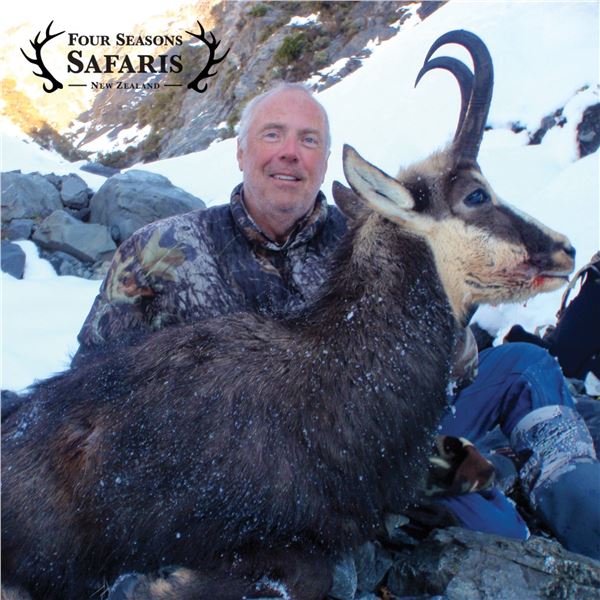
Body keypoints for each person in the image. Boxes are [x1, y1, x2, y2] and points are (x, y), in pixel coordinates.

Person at [75, 83, 600, 563]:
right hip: (273, 469)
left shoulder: (375, 235)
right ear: (241, 152)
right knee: (496, 527)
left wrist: (456, 336)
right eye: (272, 134)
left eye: (308, 140)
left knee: (524, 366)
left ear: (326, 160)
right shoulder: (161, 249)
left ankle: (581, 516)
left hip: (397, 432)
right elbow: (91, 385)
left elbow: (444, 360)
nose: (290, 152)